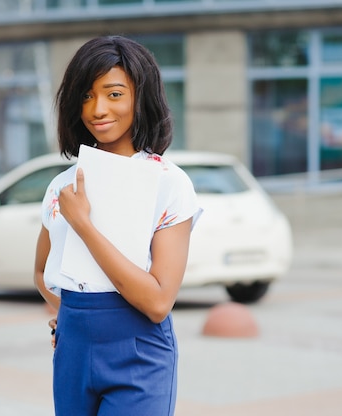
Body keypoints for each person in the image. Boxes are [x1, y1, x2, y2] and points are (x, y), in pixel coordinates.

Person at [33, 35, 200, 416]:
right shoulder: (61, 186)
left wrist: (84, 226)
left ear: (141, 98)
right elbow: (42, 271)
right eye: (87, 96)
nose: (97, 109)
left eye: (113, 94)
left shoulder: (168, 183)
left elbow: (158, 302)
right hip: (72, 350)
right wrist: (68, 315)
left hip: (138, 353)